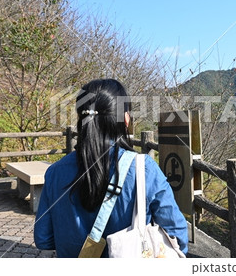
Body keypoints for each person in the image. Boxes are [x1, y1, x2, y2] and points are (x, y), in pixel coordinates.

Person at [34, 78, 188, 257]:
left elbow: (43, 238)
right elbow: (177, 236)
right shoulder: (143, 169)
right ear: (125, 119)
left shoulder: (55, 172)